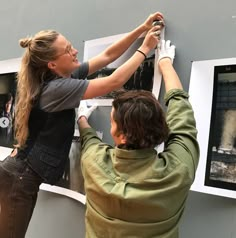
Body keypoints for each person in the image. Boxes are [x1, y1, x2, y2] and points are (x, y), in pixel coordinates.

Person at [0, 12, 164, 238]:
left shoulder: (62, 75)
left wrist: (140, 29)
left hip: (19, 174)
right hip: (19, 177)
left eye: (71, 46)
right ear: (52, 64)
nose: (75, 51)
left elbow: (107, 55)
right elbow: (113, 81)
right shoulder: (57, 89)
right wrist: (145, 48)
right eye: (67, 50)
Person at [77, 40, 200, 238]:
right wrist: (166, 63)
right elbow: (182, 115)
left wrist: (82, 118)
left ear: (123, 136)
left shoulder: (94, 162)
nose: (110, 126)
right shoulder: (179, 170)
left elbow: (90, 140)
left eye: (112, 122)